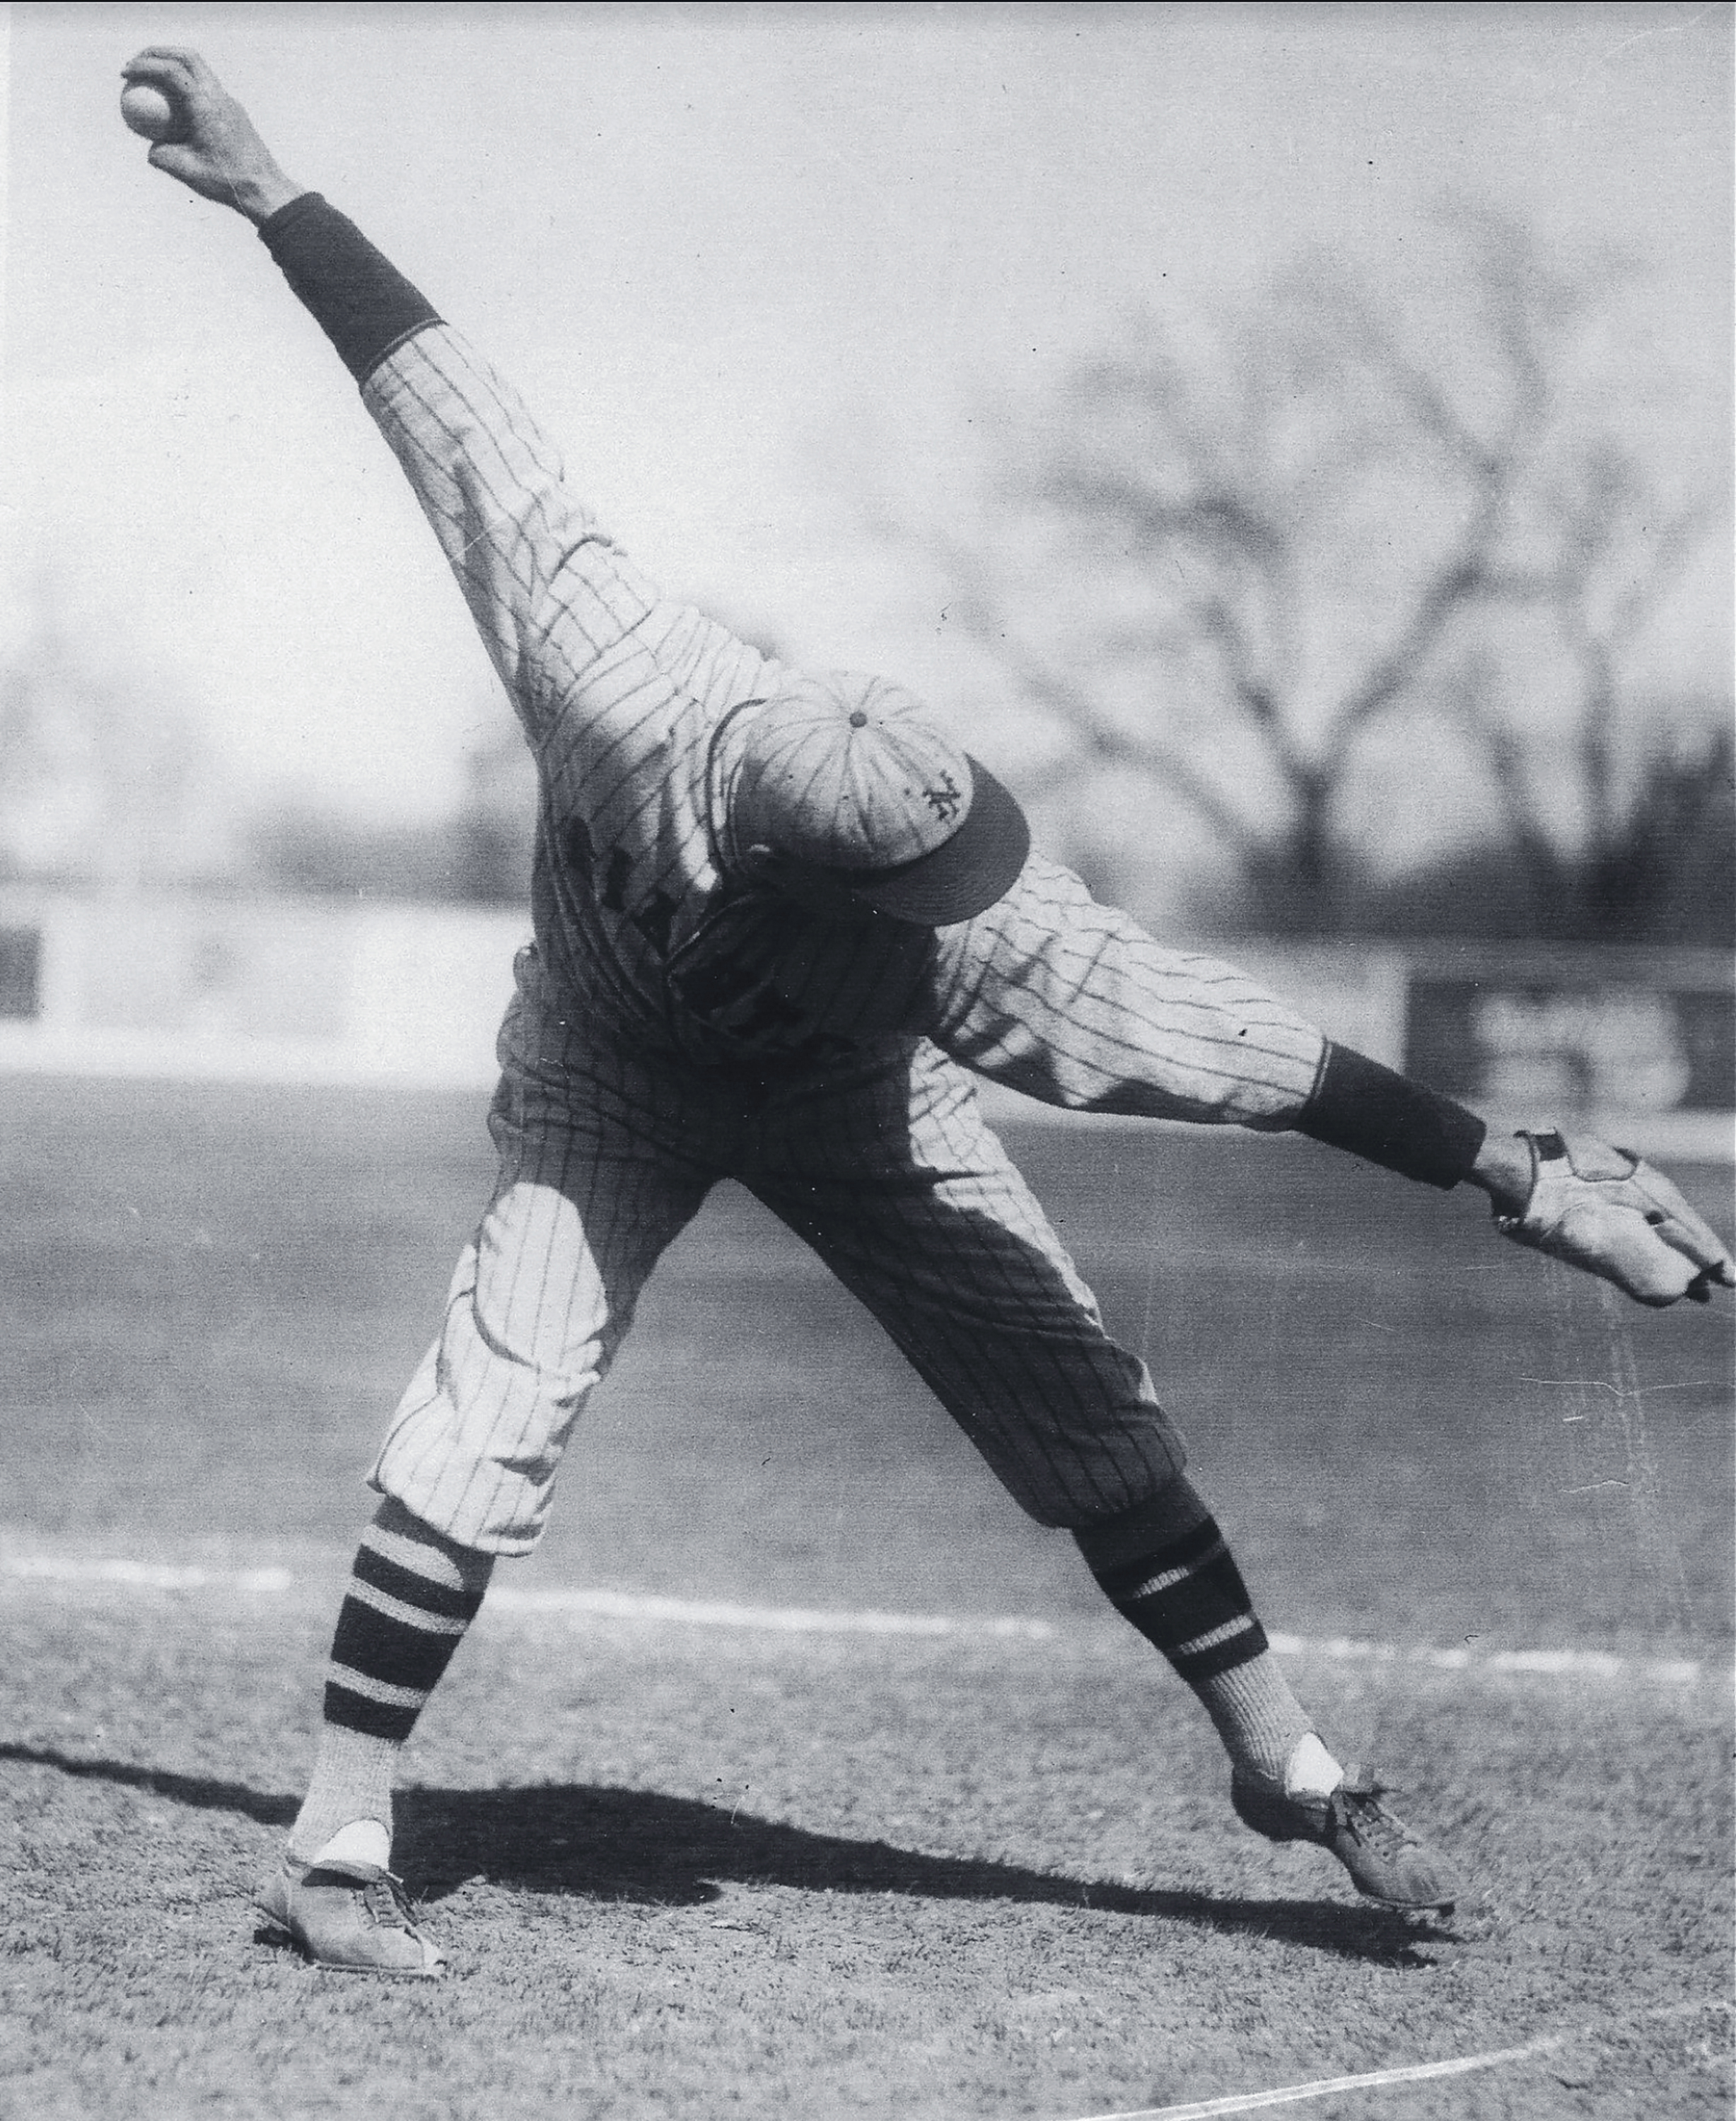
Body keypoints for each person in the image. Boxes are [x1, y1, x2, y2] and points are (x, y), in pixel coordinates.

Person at [123, 47, 1734, 1980]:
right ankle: (336, 1839)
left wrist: (1526, 1175)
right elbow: (452, 416)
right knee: (505, 1381)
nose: (974, 903)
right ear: (795, 858)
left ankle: (1289, 1766)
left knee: (1076, 1397)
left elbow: (1246, 1048)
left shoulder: (983, 923)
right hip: (612, 1061)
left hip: (847, 1090)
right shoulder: (608, 674)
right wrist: (270, 188)